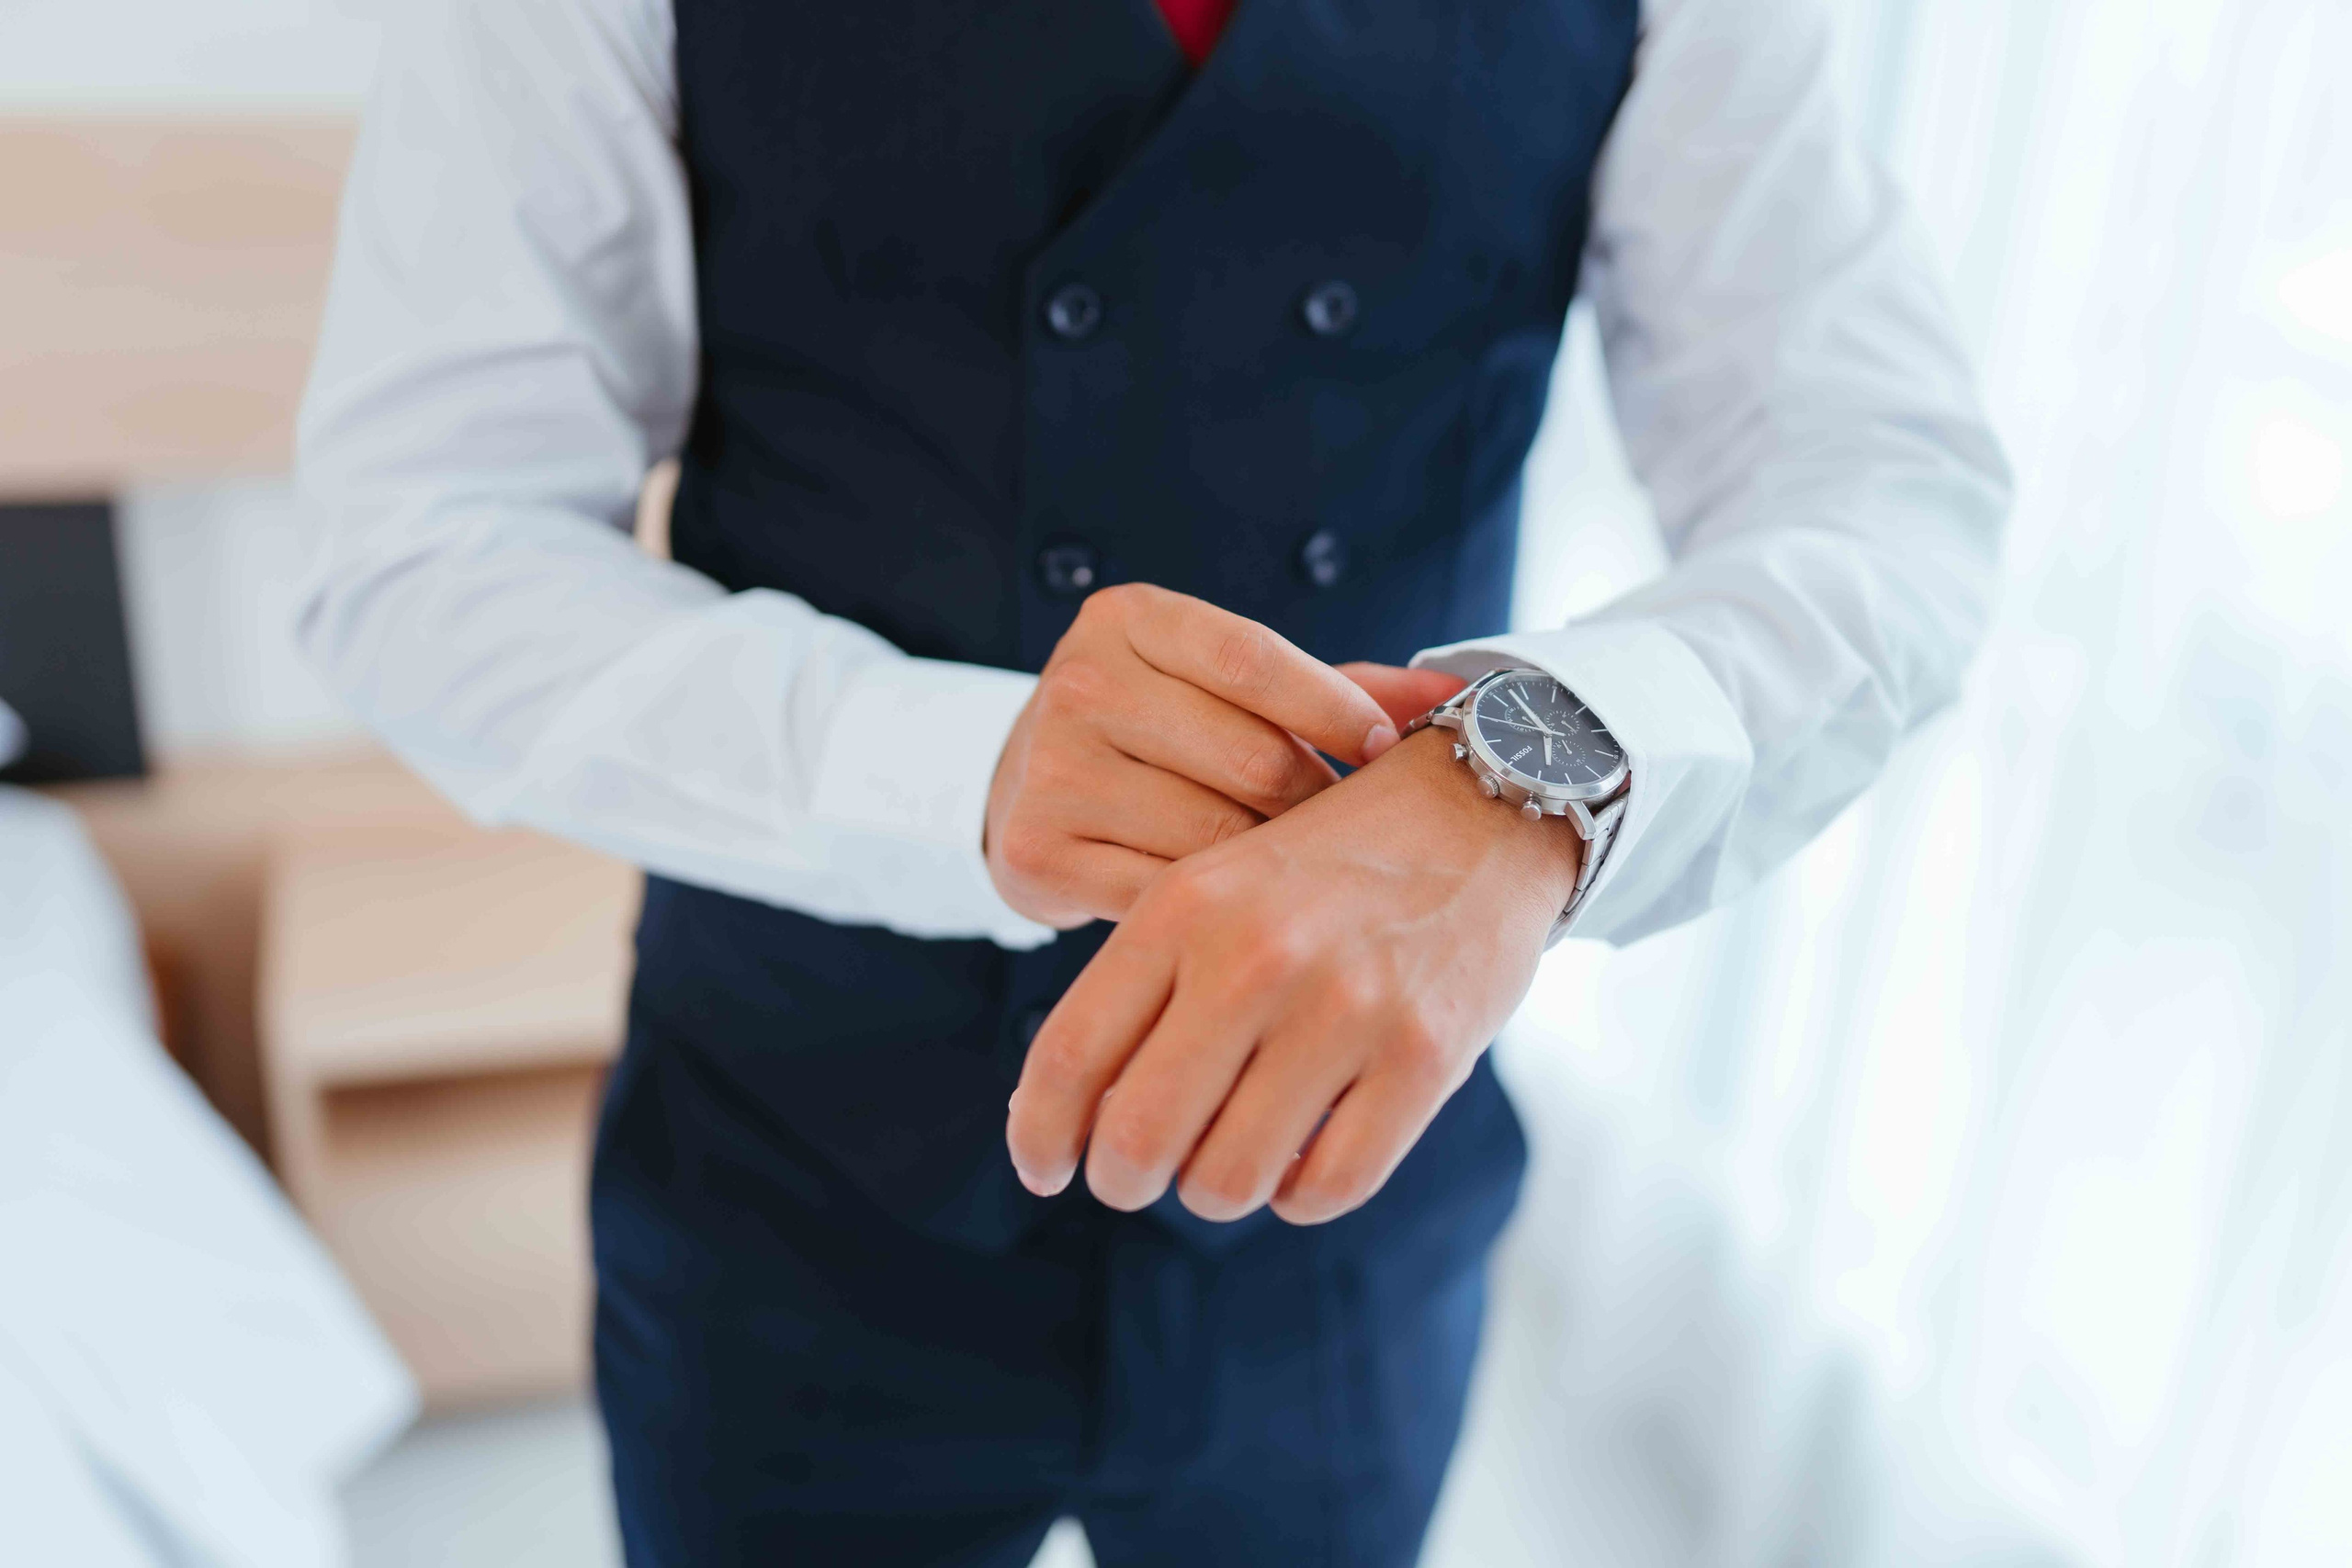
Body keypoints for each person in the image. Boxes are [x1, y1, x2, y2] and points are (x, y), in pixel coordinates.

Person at [296, 0, 2008, 1562]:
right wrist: (953, 773)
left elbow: (1883, 483)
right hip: (796, 1187)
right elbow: (424, 537)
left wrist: (1535, 778)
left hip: (1352, 1207)